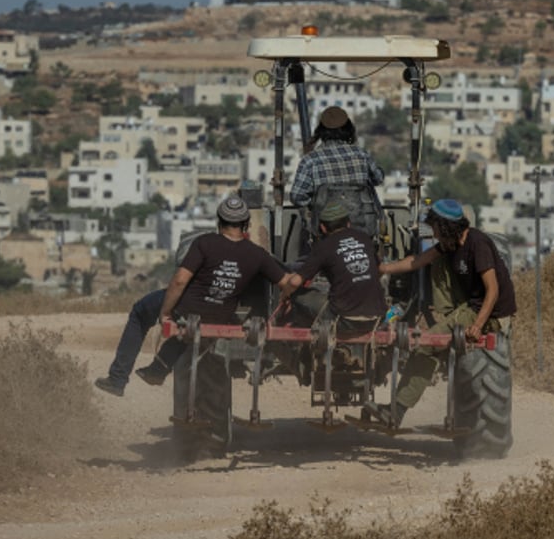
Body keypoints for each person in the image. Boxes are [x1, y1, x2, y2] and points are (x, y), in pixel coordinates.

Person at [94, 195, 294, 397]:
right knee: (190, 325)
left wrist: (165, 313)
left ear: (219, 222)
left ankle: (118, 379)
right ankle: (157, 369)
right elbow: (287, 283)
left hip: (188, 309)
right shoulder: (257, 254)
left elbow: (180, 280)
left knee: (140, 311)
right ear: (247, 224)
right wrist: (285, 298)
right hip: (221, 315)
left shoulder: (204, 243)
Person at [372, 198, 517, 426]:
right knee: (437, 262)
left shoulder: (478, 244)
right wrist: (382, 268)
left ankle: (396, 411)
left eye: (436, 228)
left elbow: (493, 290)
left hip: (488, 312)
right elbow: (417, 261)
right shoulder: (449, 245)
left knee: (427, 344)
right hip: (468, 306)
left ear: (446, 227)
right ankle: (396, 409)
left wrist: (477, 325)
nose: (434, 234)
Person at [281, 200, 387, 331]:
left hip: (344, 320)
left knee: (298, 295)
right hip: (377, 317)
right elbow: (378, 270)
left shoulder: (324, 247)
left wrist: (285, 295)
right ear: (348, 223)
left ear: (323, 228)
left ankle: (306, 338)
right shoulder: (364, 238)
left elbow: (294, 282)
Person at [289, 106, 384, 210]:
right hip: (363, 222)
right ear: (349, 129)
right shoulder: (362, 155)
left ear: (321, 131)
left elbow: (296, 196)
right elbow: (378, 179)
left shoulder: (310, 161)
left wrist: (316, 204)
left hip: (326, 223)